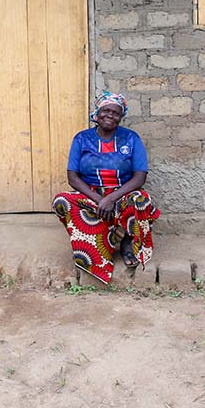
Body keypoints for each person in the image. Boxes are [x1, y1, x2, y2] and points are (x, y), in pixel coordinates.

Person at [52, 91, 160, 284]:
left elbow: (140, 176)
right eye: (106, 111)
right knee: (62, 200)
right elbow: (72, 177)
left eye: (116, 113)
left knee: (142, 201)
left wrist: (111, 198)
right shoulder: (81, 139)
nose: (110, 115)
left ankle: (127, 241)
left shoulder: (131, 138)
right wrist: (100, 199)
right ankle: (99, 247)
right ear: (97, 113)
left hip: (121, 194)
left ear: (121, 116)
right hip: (92, 196)